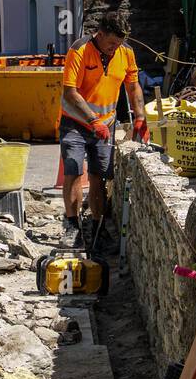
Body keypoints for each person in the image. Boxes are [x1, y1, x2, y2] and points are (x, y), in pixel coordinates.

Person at [59, 15, 149, 247]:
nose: (114, 49)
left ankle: (98, 228)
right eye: (111, 44)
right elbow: (70, 91)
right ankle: (72, 226)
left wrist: (140, 116)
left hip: (105, 125)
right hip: (75, 123)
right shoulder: (79, 50)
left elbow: (132, 85)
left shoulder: (125, 52)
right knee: (73, 170)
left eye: (118, 44)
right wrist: (92, 120)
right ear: (99, 34)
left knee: (99, 176)